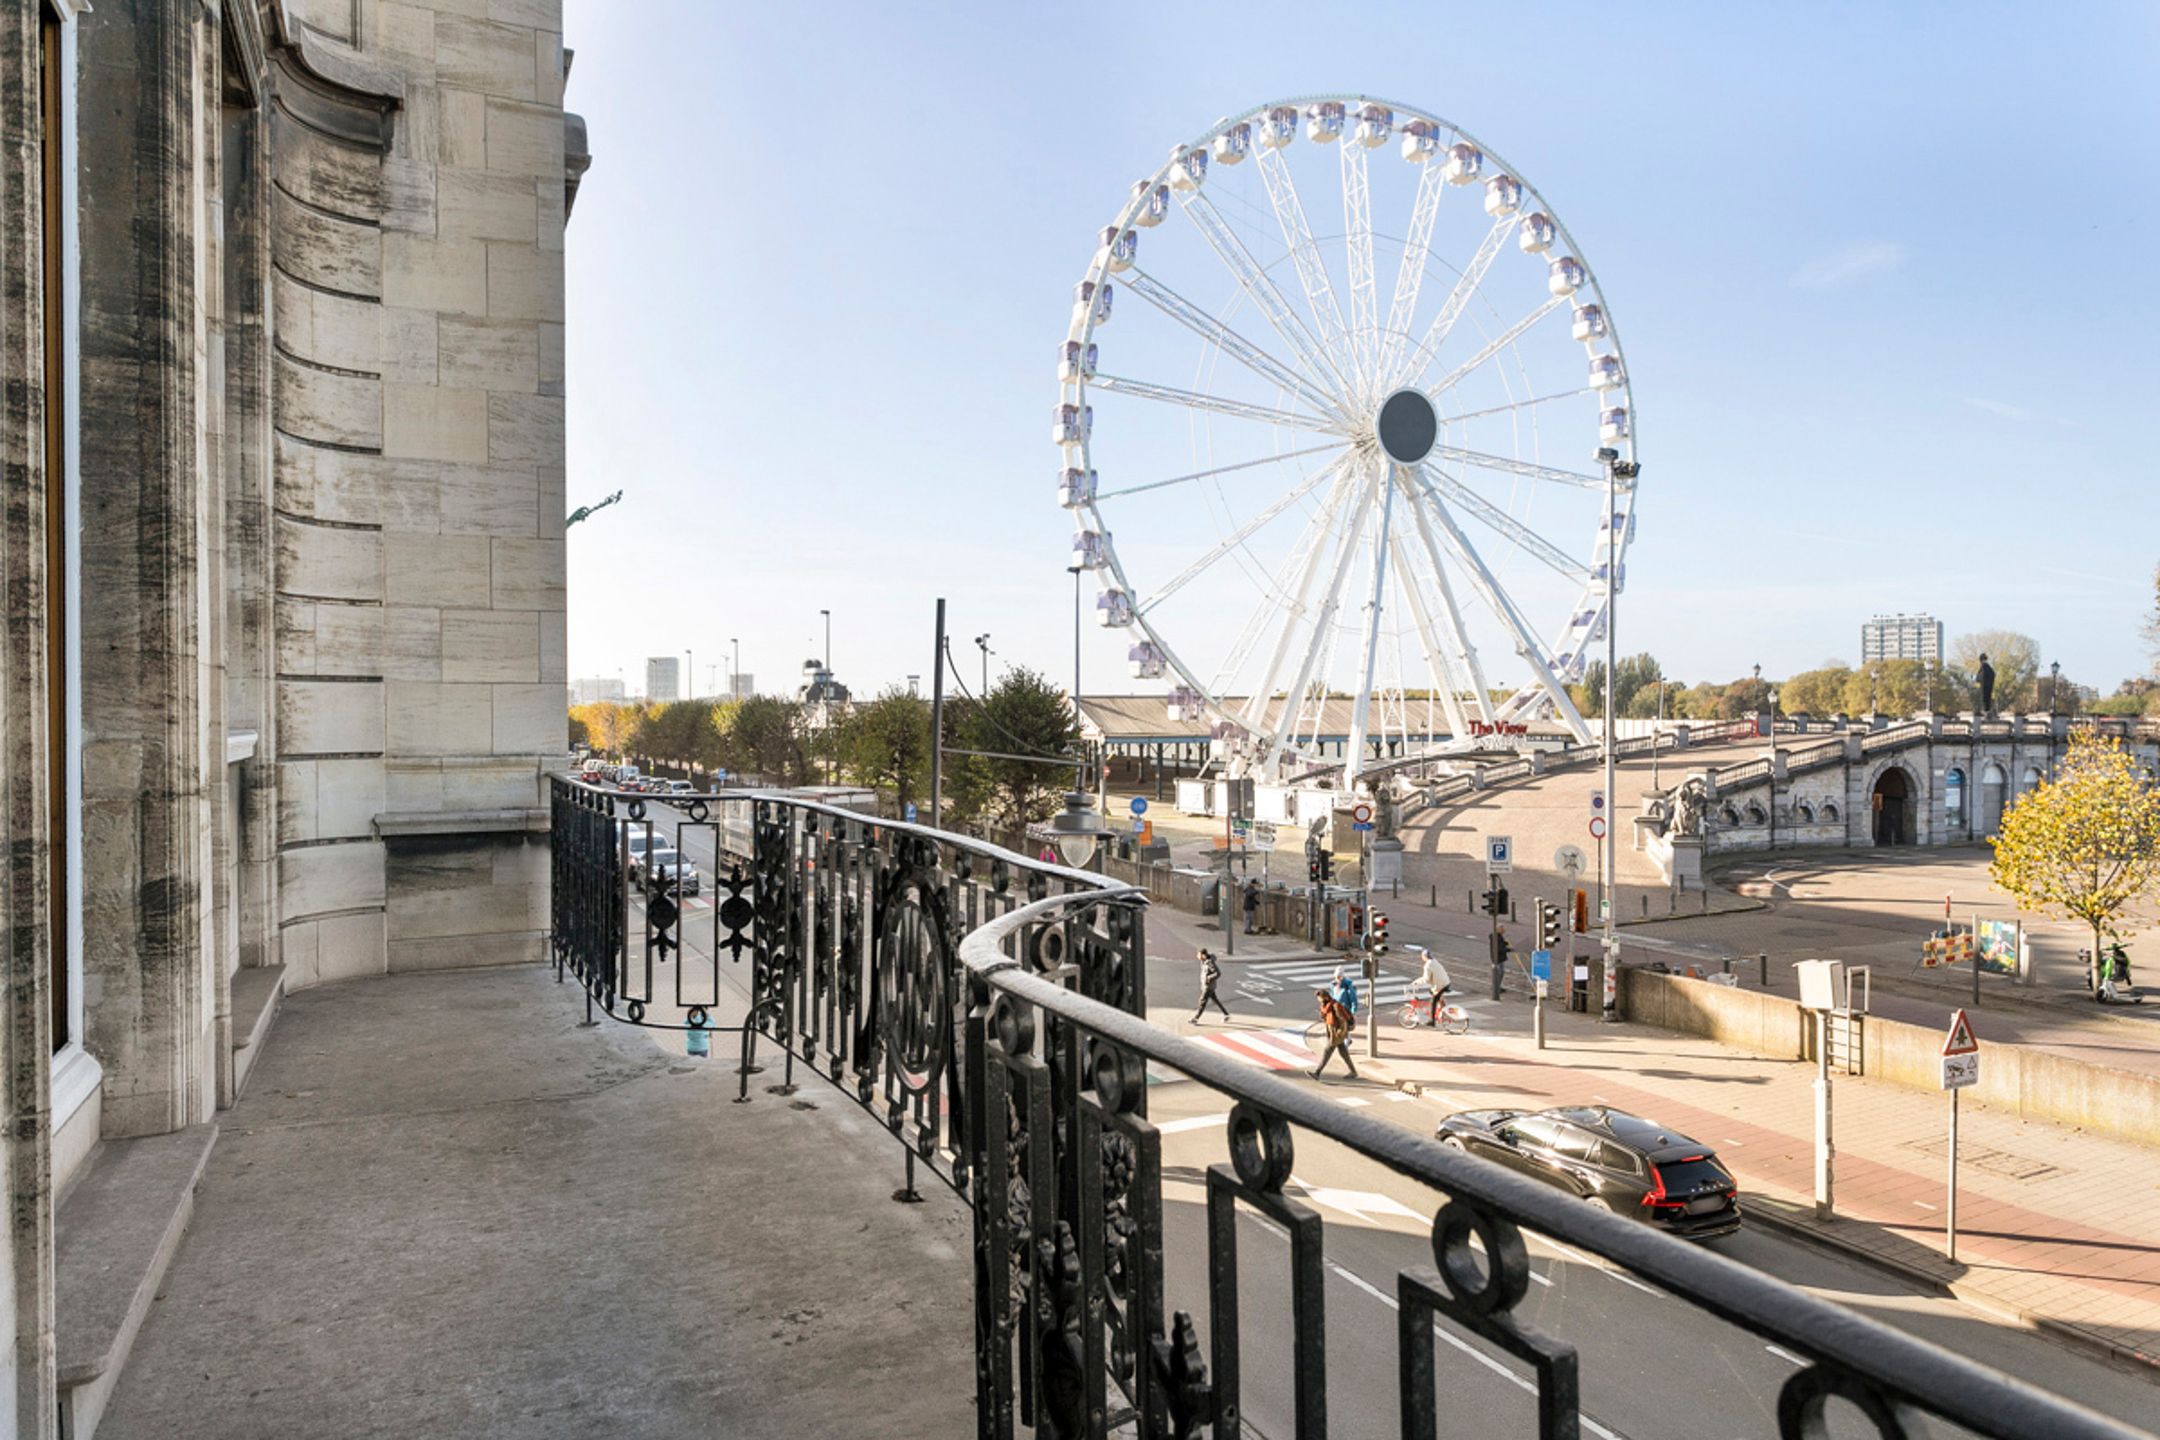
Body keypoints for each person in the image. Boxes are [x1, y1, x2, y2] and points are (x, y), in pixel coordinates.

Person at [1311, 989, 1358, 1079]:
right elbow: (1328, 1018)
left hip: (1336, 1033)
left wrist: (1339, 1034)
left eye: (1319, 997)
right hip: (1332, 1032)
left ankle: (1317, 1073)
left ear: (1325, 997)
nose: (1318, 999)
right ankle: (1353, 1072)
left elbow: (1342, 1022)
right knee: (1344, 1053)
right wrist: (1322, 1015)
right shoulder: (1325, 1005)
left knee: (1327, 1052)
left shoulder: (1336, 1006)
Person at [1192, 947, 1231, 1023]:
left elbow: (1217, 973)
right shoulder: (1203, 961)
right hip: (1207, 985)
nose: (1197, 956)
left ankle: (1196, 1018)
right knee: (1215, 1000)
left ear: (1203, 955)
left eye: (1199, 954)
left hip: (1209, 986)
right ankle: (1226, 1014)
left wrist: (1208, 978)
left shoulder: (1210, 963)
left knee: (1202, 1001)